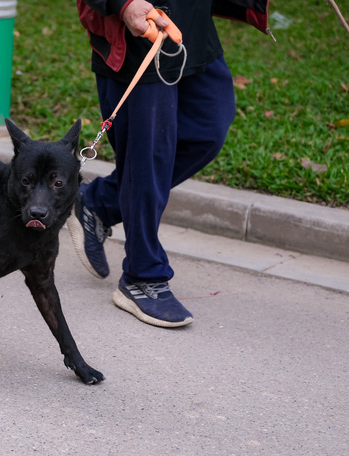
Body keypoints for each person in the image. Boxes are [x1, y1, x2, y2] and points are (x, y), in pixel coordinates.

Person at [69, 0, 269, 327]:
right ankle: (141, 277)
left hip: (192, 27)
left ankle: (100, 202)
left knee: (208, 130)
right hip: (142, 33)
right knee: (148, 160)